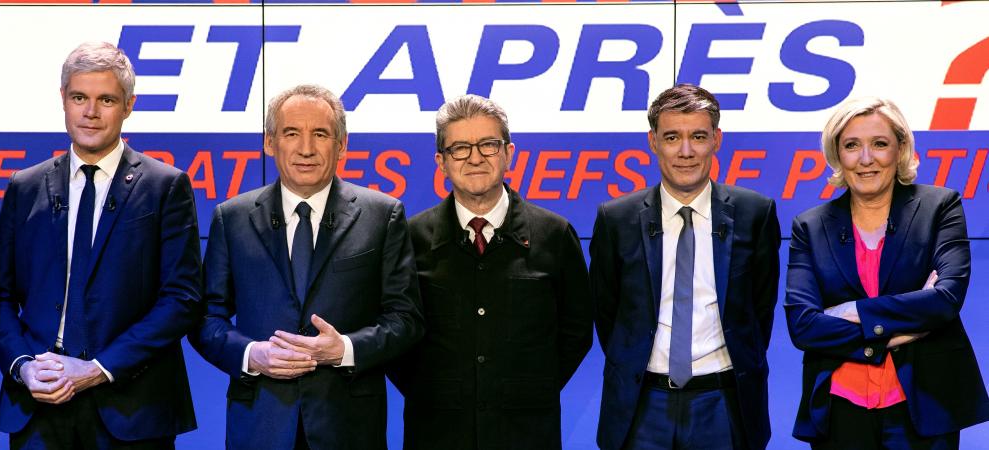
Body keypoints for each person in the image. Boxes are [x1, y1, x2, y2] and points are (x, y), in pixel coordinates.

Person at [0, 42, 202, 449]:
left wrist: (98, 368)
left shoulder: (165, 186)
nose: (90, 112)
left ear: (128, 105)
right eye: (79, 98)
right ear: (63, 100)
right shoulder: (25, 186)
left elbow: (182, 299)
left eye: (106, 99)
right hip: (39, 406)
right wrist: (22, 367)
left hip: (131, 408)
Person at [194, 84, 423, 450]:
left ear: (342, 145)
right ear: (270, 142)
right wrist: (253, 355)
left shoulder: (382, 216)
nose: (306, 148)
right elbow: (206, 319)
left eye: (320, 134)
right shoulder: (231, 218)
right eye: (291, 134)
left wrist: (345, 348)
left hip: (348, 427)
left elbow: (406, 319)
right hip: (260, 426)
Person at [784, 96, 989, 449]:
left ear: (901, 149)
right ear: (837, 154)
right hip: (839, 407)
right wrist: (898, 331)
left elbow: (944, 300)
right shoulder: (811, 225)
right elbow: (803, 326)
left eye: (879, 144)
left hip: (924, 404)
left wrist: (854, 313)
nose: (866, 159)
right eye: (851, 146)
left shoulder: (939, 207)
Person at [392, 94, 593, 449]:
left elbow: (575, 333)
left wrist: (527, 390)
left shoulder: (555, 234)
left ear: (508, 153)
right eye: (459, 148)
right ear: (441, 161)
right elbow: (395, 334)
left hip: (527, 434)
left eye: (488, 144)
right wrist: (437, 393)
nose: (474, 158)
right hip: (436, 433)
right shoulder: (410, 237)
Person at [589, 84, 781, 450]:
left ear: (717, 139)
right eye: (672, 137)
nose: (686, 151)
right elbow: (607, 313)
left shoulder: (755, 213)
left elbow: (759, 311)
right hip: (642, 403)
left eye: (698, 136)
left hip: (724, 401)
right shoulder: (617, 218)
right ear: (653, 141)